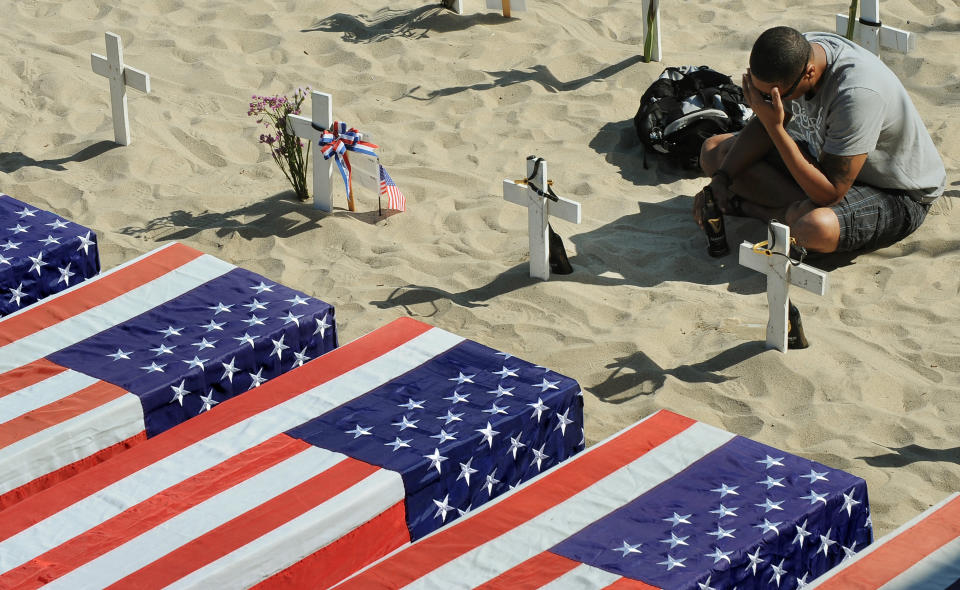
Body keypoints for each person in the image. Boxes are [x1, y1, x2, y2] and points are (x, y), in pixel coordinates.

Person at [693, 26, 946, 254]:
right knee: (713, 152)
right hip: (825, 161)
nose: (765, 101)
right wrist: (721, 180)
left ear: (809, 73)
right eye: (760, 94)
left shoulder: (857, 95)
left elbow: (830, 193)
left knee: (812, 227)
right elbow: (763, 124)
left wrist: (776, 129)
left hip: (895, 191)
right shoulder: (802, 51)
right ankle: (783, 214)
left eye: (775, 96)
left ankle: (762, 212)